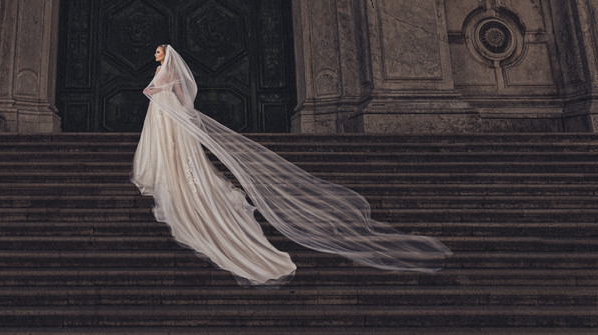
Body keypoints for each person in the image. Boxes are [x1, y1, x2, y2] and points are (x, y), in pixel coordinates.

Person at [132, 44, 451, 286]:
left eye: (159, 51)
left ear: (167, 55)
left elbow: (181, 97)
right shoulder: (161, 71)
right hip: (162, 119)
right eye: (157, 52)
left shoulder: (170, 73)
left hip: (170, 117)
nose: (156, 54)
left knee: (180, 156)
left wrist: (177, 108)